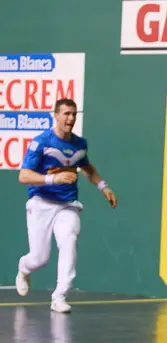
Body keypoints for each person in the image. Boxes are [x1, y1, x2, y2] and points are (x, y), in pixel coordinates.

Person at [15, 98, 117, 313]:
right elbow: (24, 176)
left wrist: (103, 186)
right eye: (66, 114)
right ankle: (24, 268)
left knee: (69, 239)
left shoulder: (80, 144)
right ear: (56, 115)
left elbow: (86, 167)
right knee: (39, 258)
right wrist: (53, 179)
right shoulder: (42, 142)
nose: (70, 118)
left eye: (73, 114)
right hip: (41, 203)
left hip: (67, 205)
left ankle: (59, 296)